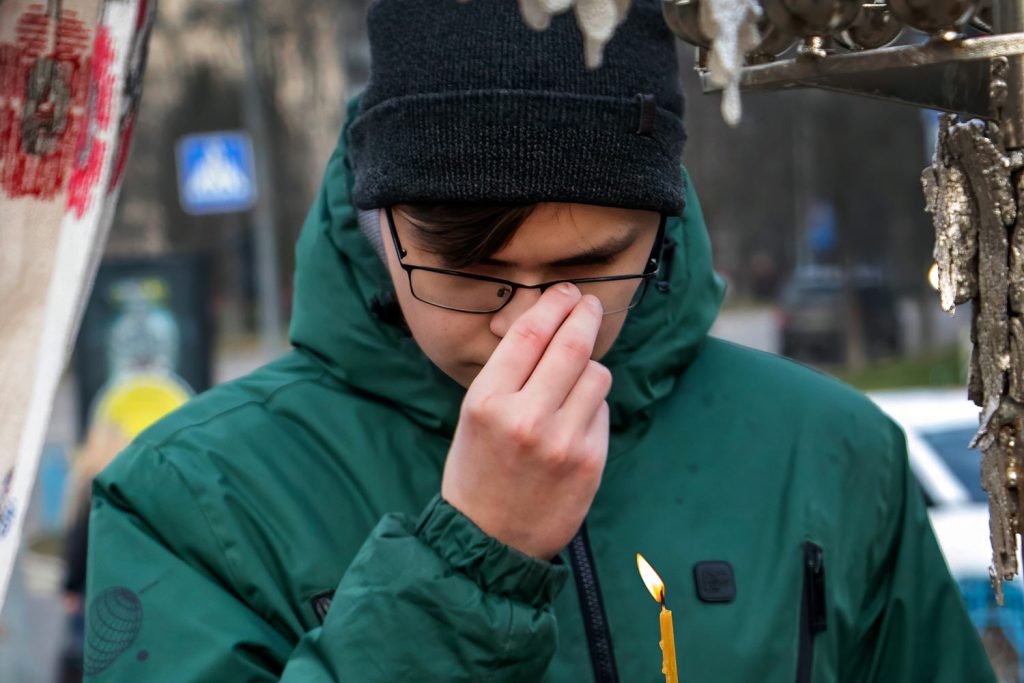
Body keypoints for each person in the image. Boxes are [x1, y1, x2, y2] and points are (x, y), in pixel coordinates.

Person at [85, 1, 995, 680]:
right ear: (376, 218)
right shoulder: (191, 496)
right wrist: (470, 560)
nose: (528, 324)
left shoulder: (833, 451)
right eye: (467, 268)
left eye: (589, 266)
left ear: (661, 230)